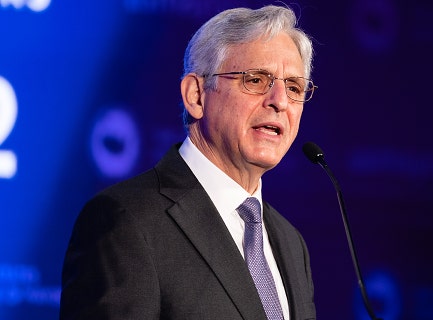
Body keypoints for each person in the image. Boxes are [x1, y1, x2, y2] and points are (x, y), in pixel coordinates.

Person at [60, 5, 317, 319]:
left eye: (293, 87)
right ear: (196, 95)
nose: (279, 101)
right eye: (256, 80)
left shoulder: (291, 243)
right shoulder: (126, 221)